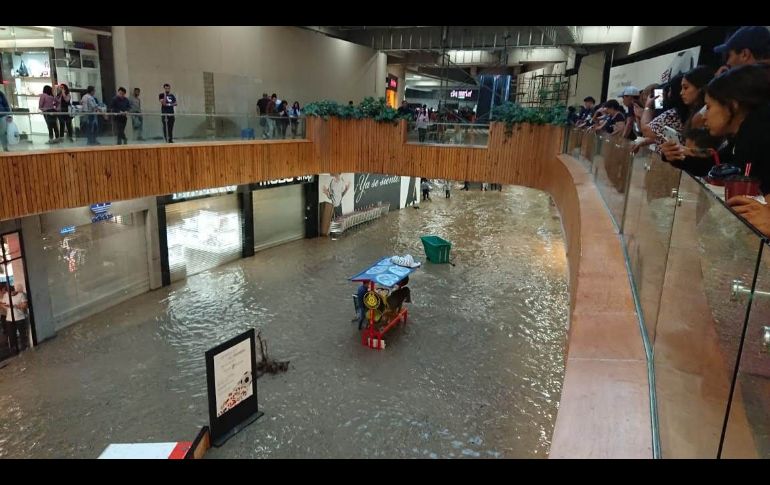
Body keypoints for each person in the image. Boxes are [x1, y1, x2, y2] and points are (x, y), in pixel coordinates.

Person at [661, 64, 770, 195]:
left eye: (708, 107)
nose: (704, 116)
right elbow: (713, 165)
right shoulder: (740, 139)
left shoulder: (758, 141)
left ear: (732, 105)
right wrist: (676, 156)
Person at [0, 284, 29, 354]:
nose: (10, 294)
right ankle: (14, 349)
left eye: (12, 293)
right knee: (11, 334)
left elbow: (24, 306)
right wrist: (5, 307)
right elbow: (1, 303)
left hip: (19, 318)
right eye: (8, 292)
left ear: (14, 290)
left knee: (22, 334)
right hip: (9, 319)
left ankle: (24, 347)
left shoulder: (21, 295)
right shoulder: (6, 295)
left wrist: (14, 306)